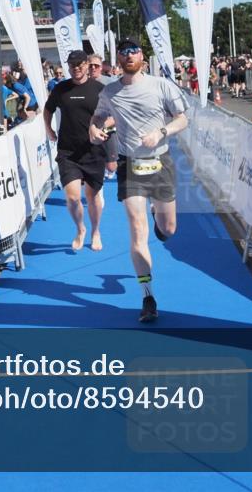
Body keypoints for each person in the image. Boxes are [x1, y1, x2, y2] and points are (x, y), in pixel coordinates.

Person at [88, 39, 189, 323]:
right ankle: (148, 296)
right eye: (123, 53)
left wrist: (161, 132)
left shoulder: (161, 85)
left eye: (133, 52)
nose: (129, 56)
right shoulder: (110, 91)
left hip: (160, 161)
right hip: (129, 164)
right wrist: (94, 130)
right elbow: (98, 119)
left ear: (143, 57)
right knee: (136, 227)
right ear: (118, 59)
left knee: (168, 229)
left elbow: (182, 120)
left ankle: (159, 212)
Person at [42, 50, 110, 251]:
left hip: (94, 151)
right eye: (72, 66)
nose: (76, 69)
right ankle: (80, 229)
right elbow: (48, 109)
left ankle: (95, 230)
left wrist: (102, 129)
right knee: (72, 197)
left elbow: (113, 115)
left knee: (93, 197)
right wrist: (49, 129)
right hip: (67, 151)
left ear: (88, 66)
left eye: (80, 65)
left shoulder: (100, 89)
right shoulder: (61, 89)